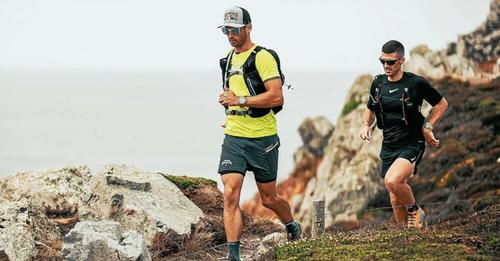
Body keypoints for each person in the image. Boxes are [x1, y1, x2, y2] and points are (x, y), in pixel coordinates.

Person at [216, 6, 301, 261]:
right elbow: (233, 95)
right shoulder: (227, 60)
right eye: (226, 30)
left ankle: (291, 225)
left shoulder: (262, 57)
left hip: (263, 138)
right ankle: (234, 256)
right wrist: (229, 110)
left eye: (235, 29)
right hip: (234, 137)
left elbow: (276, 96)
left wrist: (239, 101)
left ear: (248, 28)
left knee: (268, 198)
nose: (230, 35)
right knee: (230, 193)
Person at [359, 40, 448, 228]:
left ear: (402, 61)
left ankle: (416, 211)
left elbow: (441, 104)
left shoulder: (415, 82)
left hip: (412, 142)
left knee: (392, 181)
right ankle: (406, 234)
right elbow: (370, 108)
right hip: (389, 143)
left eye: (390, 62)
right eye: (382, 61)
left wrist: (428, 126)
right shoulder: (378, 83)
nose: (386, 66)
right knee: (394, 194)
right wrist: (365, 125)